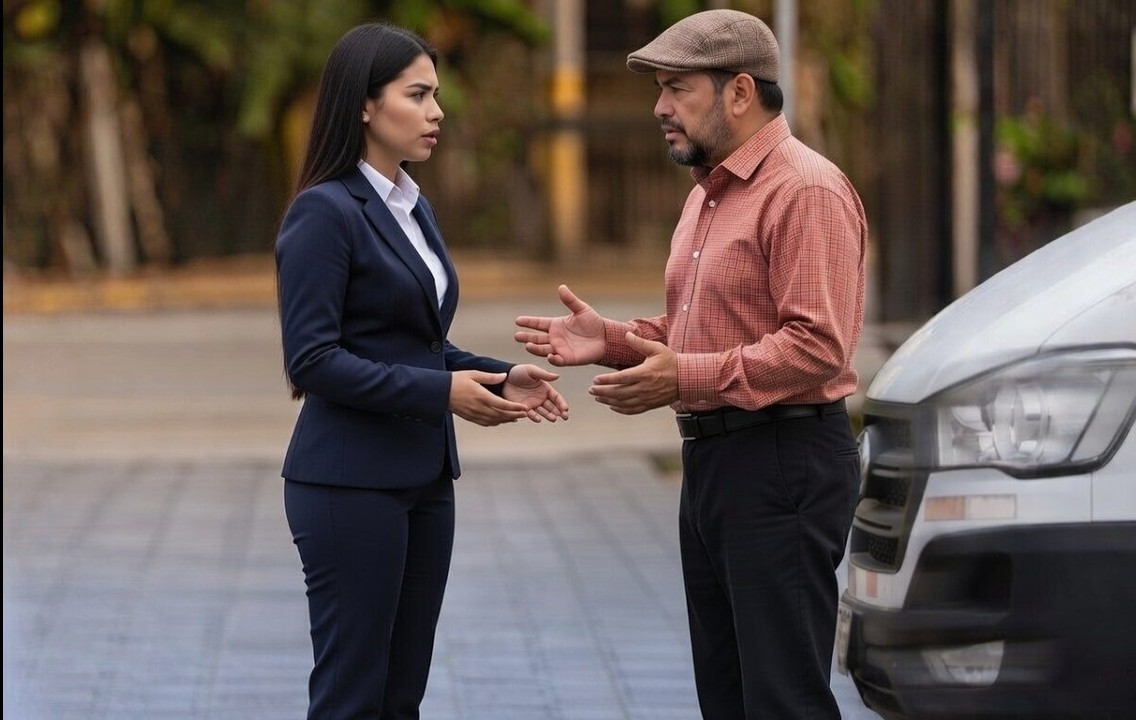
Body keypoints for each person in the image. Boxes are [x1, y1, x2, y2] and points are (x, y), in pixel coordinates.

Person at [514, 9, 866, 720]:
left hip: (782, 461)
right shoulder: (709, 193)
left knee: (782, 699)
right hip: (716, 468)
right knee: (728, 697)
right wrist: (610, 339)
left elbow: (817, 344)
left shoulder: (804, 190)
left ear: (740, 91)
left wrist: (686, 379)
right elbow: (702, 329)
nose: (659, 108)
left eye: (677, 88)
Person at [274, 22, 569, 720]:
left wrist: (498, 378)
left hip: (425, 479)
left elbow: (416, 342)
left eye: (437, 94)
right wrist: (444, 393)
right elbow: (312, 360)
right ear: (365, 106)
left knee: (401, 696)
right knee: (353, 698)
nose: (437, 111)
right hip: (348, 485)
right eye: (418, 94)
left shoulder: (411, 205)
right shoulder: (324, 213)